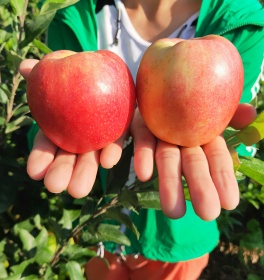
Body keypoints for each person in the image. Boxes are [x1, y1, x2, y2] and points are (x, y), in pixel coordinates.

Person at [19, 0, 264, 279]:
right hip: (96, 223)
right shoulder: (70, 10)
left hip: (176, 235)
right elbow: (56, 107)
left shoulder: (242, 22)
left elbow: (233, 128)